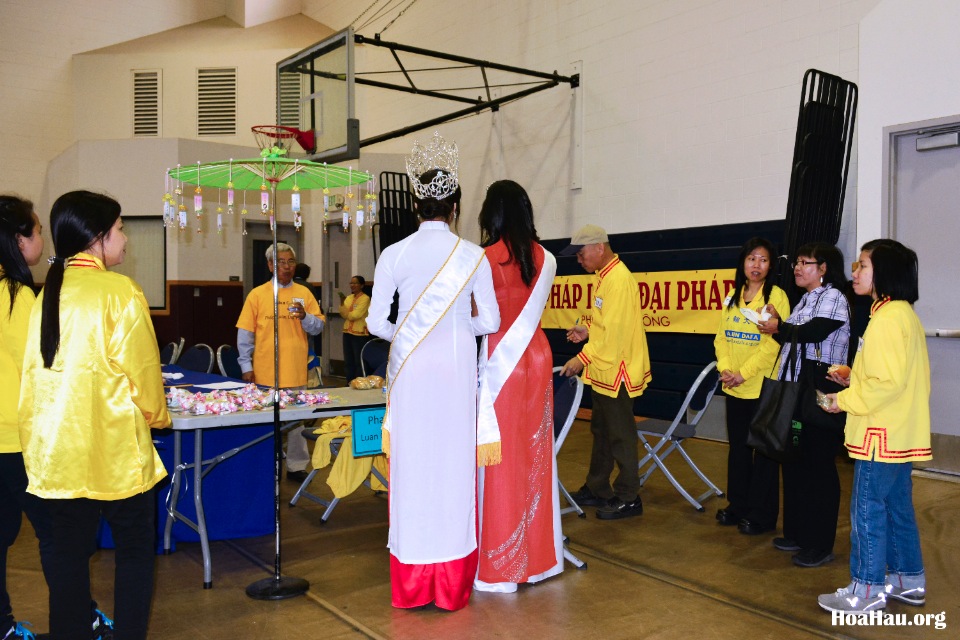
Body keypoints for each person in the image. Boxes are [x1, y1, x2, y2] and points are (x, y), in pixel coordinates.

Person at [18, 190, 170, 640]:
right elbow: (144, 374)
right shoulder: (121, 291)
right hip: (117, 452)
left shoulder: (47, 294)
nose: (126, 240)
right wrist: (157, 415)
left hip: (60, 455)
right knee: (136, 552)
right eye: (121, 229)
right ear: (98, 237)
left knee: (66, 557)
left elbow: (34, 380)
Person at [367, 131, 500, 611]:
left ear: (416, 206)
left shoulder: (393, 254)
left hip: (411, 376)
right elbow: (492, 320)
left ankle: (411, 583)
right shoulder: (473, 256)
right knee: (452, 469)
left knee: (412, 468)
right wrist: (458, 324)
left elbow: (375, 322)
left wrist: (409, 332)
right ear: (456, 207)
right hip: (457, 371)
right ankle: (451, 586)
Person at [817, 239, 931, 615]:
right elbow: (892, 377)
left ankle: (864, 590)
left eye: (862, 265)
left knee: (866, 509)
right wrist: (856, 375)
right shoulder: (901, 315)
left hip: (879, 436)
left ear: (883, 272)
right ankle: (907, 578)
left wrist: (842, 400)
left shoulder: (886, 320)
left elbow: (885, 384)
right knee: (897, 506)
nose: (855, 272)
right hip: (899, 433)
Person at [474, 180, 562, 592]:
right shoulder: (547, 259)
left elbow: (481, 316)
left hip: (500, 360)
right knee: (536, 454)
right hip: (538, 356)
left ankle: (502, 566)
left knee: (501, 457)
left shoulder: (484, 257)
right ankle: (539, 560)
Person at [758, 243, 850, 568]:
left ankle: (820, 543)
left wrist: (779, 327)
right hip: (796, 390)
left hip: (821, 391)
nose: (797, 268)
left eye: (805, 263)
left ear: (823, 268)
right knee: (795, 458)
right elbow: (791, 336)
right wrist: (777, 324)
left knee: (819, 466)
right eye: (796, 262)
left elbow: (814, 332)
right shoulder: (806, 299)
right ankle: (796, 532)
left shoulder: (834, 297)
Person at [560, 224, 651, 520]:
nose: (579, 259)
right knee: (601, 431)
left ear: (600, 248)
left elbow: (614, 337)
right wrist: (587, 330)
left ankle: (628, 496)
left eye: (581, 253)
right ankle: (598, 487)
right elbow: (607, 326)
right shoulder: (604, 277)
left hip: (617, 372)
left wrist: (581, 358)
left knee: (620, 436)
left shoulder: (618, 280)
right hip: (604, 370)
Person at [713, 237, 790, 534]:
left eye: (763, 260)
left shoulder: (777, 297)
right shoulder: (733, 296)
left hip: (762, 387)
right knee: (739, 449)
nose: (756, 265)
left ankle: (761, 515)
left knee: (764, 453)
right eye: (751, 259)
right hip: (734, 386)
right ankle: (738, 505)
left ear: (771, 266)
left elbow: (772, 345)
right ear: (743, 262)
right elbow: (722, 337)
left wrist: (743, 373)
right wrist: (727, 370)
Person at [1, 196, 52, 640]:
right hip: (16, 440)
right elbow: (36, 370)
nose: (41, 239)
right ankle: (84, 617)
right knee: (59, 538)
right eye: (36, 231)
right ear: (19, 241)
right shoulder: (19, 298)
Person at [236, 243, 324, 482]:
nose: (286, 267)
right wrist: (246, 366)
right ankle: (266, 465)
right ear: (270, 266)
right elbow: (245, 334)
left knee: (295, 423)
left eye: (290, 262)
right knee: (266, 423)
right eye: (281, 262)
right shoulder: (257, 294)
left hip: (296, 370)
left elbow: (319, 327)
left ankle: (296, 466)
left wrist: (305, 317)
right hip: (265, 373)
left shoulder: (305, 294)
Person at [293, 262, 322, 387]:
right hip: (306, 325)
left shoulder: (291, 286)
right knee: (307, 354)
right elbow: (316, 308)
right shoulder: (308, 288)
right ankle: (309, 379)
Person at [338, 275, 371, 382]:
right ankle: (349, 382)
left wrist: (348, 313)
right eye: (351, 283)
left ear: (361, 285)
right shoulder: (348, 298)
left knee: (358, 360)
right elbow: (343, 313)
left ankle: (359, 382)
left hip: (359, 333)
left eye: (355, 283)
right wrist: (343, 303)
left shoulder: (365, 298)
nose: (352, 285)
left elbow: (355, 315)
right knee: (348, 360)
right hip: (347, 331)